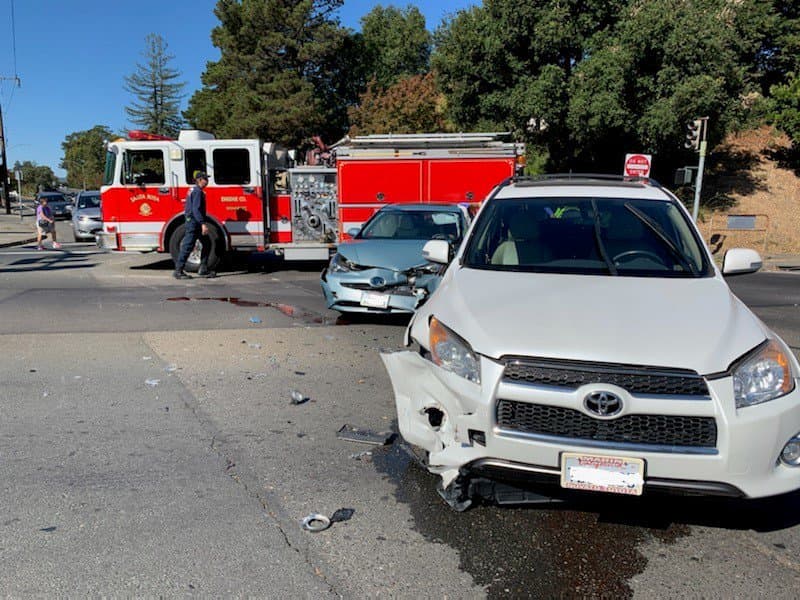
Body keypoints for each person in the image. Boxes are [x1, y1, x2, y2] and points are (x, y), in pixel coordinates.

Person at [173, 171, 214, 279]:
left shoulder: (194, 190)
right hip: (194, 223)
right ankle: (178, 271)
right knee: (187, 246)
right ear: (200, 180)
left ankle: (203, 268)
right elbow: (196, 209)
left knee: (207, 243)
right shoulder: (197, 192)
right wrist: (202, 224)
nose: (207, 181)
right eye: (206, 179)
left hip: (193, 221)